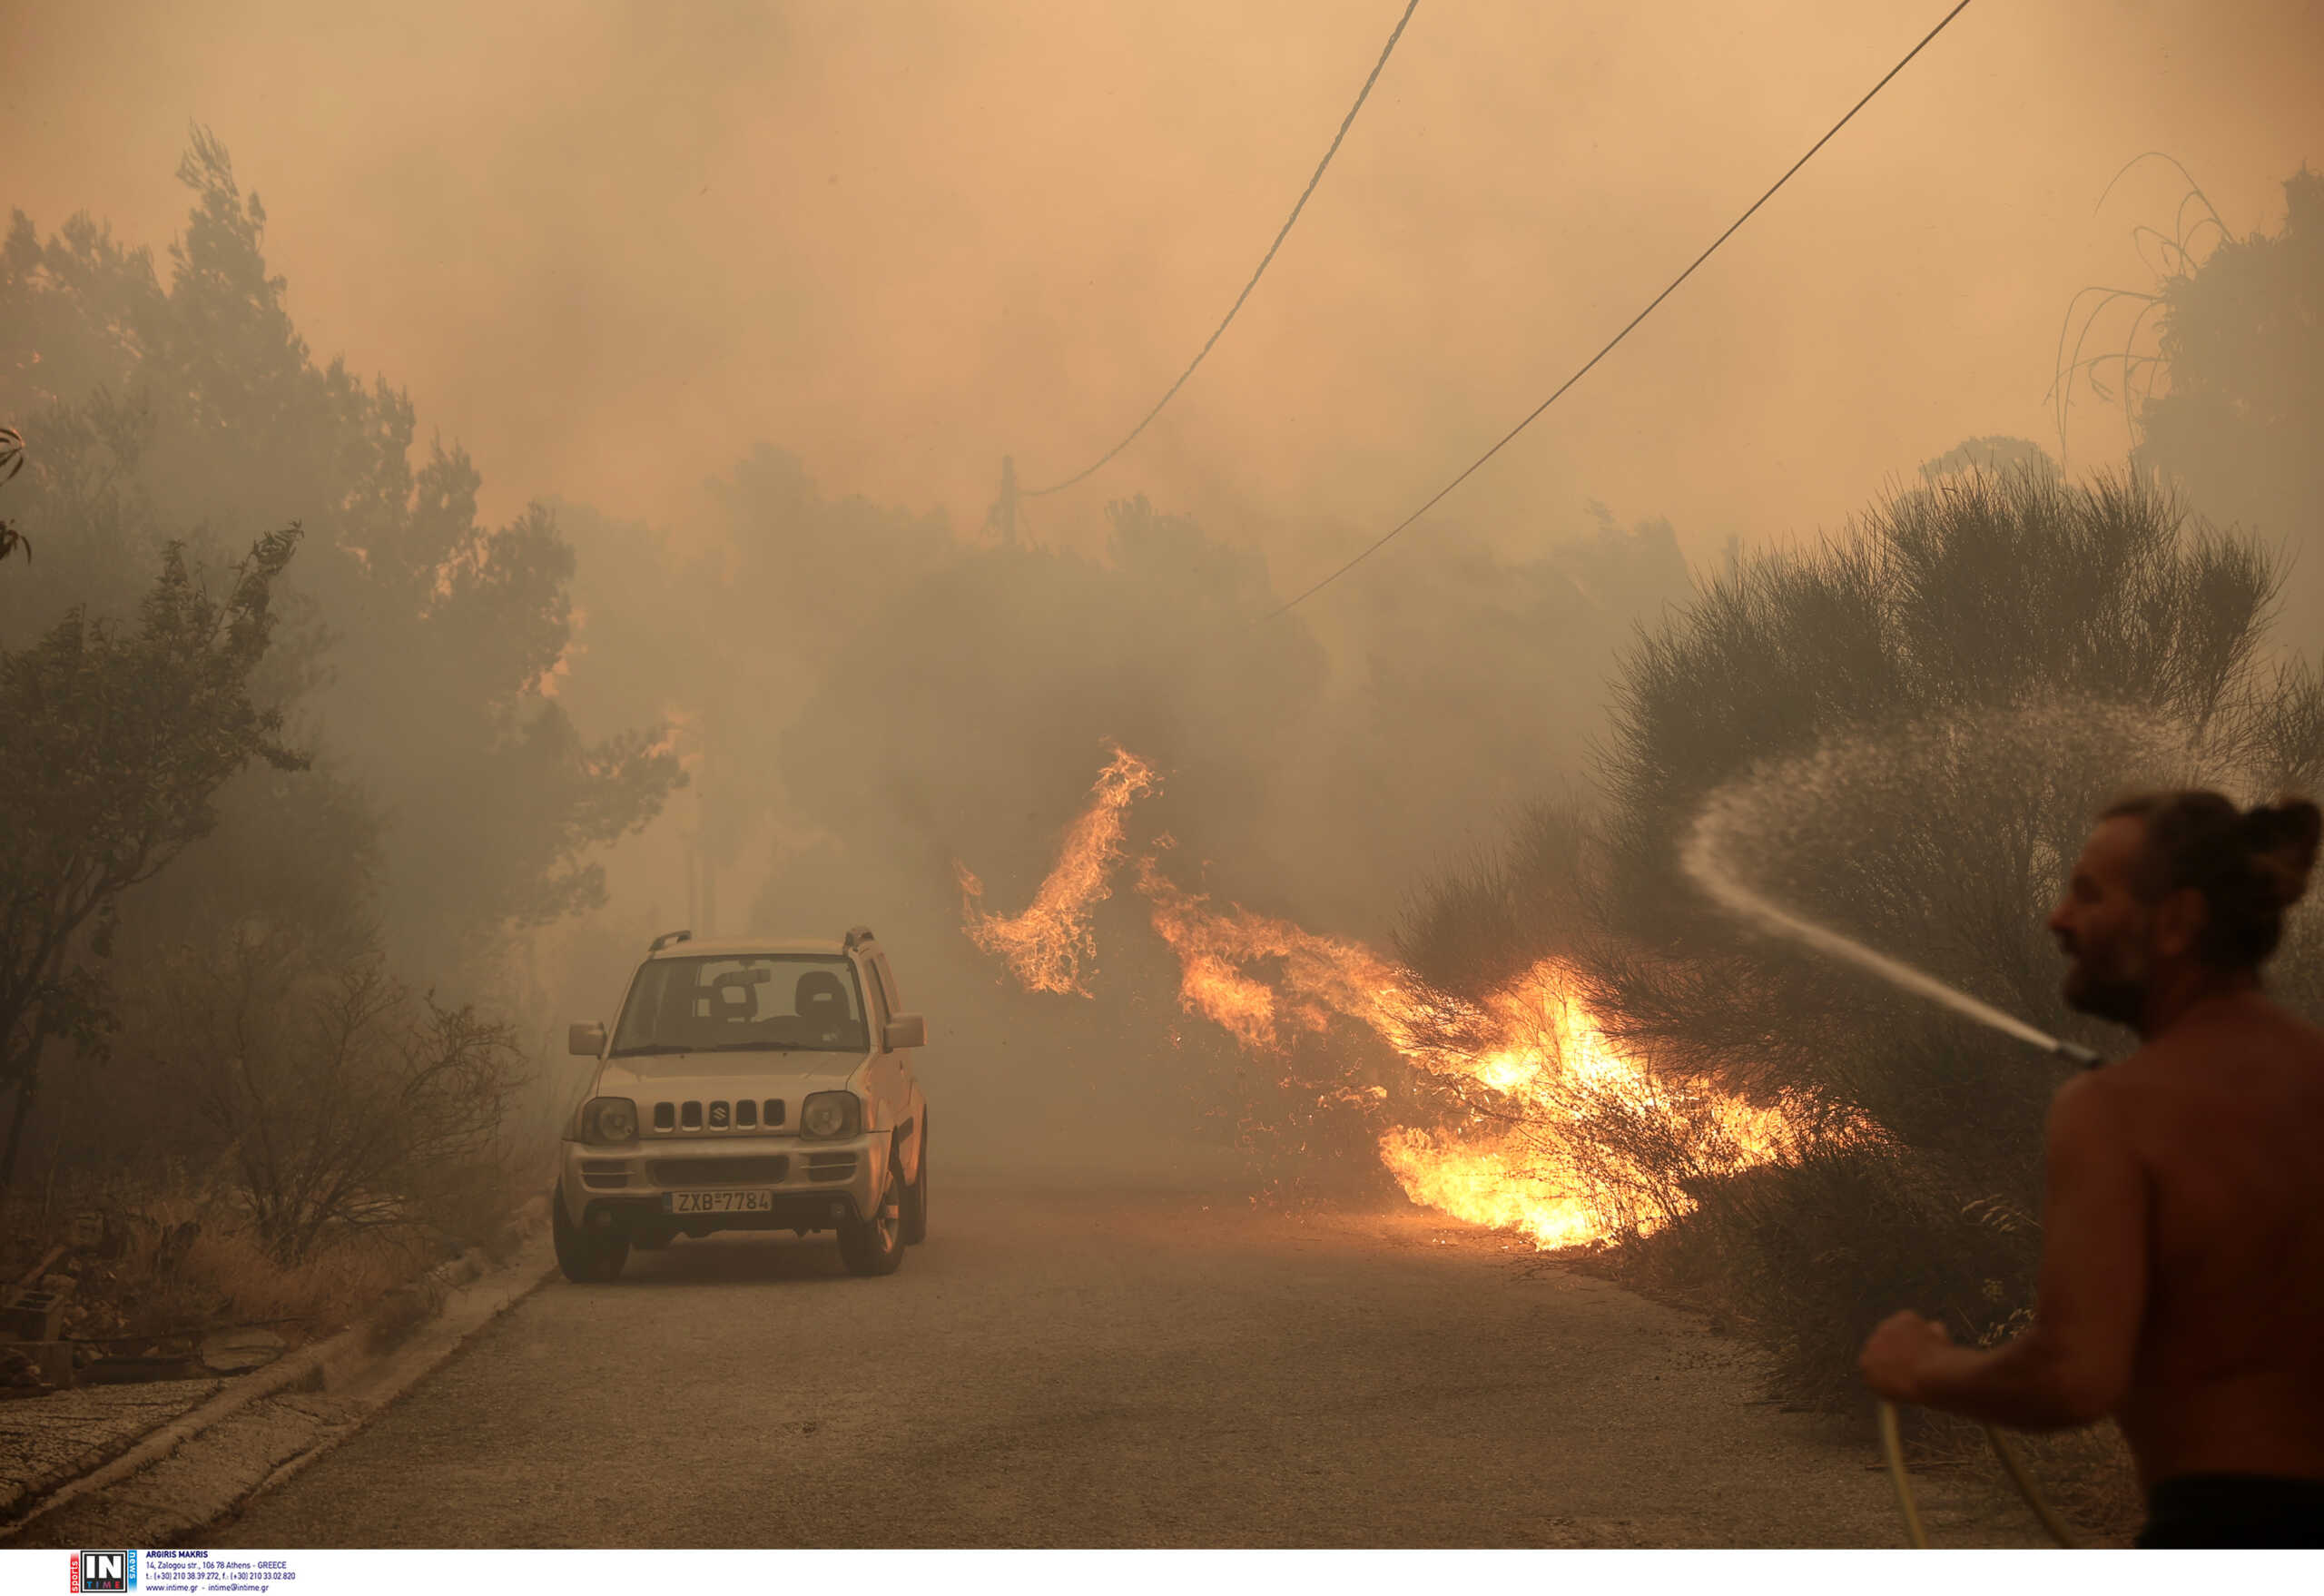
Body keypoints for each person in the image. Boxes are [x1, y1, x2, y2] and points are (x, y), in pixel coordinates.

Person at [1858, 790, 2324, 1549]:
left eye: (2088, 894)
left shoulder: (2115, 1109)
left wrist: (1923, 1369)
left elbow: (2072, 1376)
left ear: (2177, 921)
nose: (2059, 920)